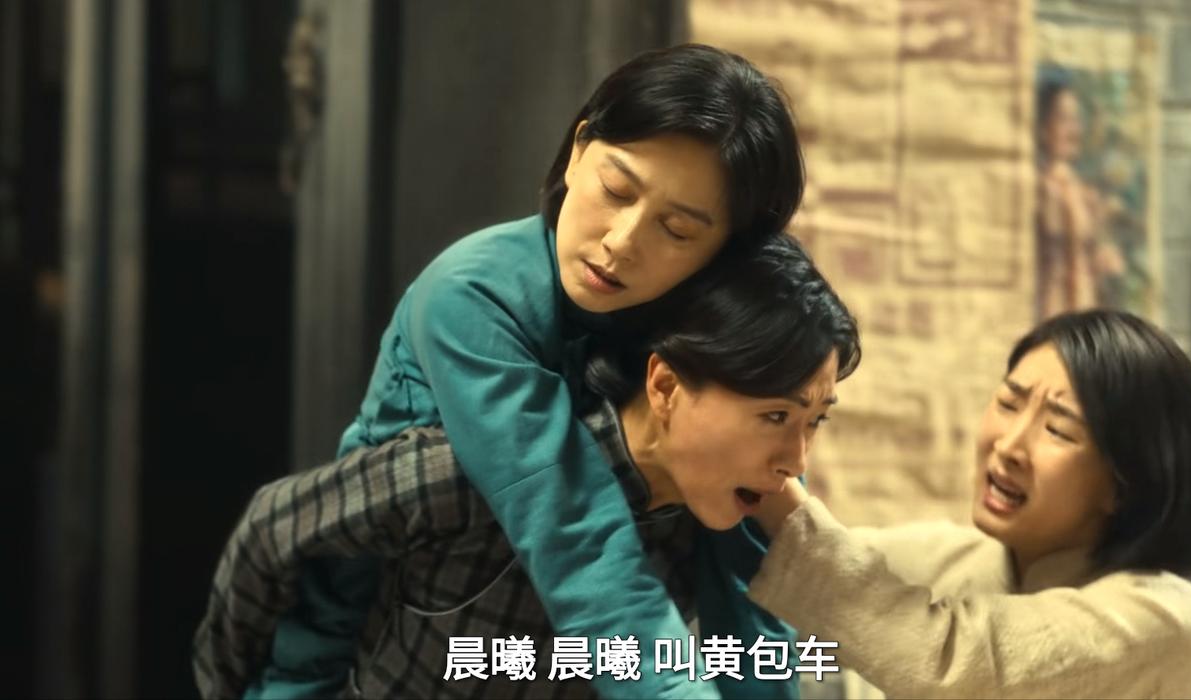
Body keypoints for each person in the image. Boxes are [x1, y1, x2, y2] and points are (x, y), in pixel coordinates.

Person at [250, 42, 808, 700]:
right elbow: (574, 531)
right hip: (395, 655)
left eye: (678, 230)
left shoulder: (713, 336)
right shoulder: (472, 296)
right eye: (616, 190)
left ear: (724, 255)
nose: (621, 241)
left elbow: (749, 575)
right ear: (578, 151)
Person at [194, 233, 862, 698]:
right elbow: (273, 530)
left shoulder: (717, 537)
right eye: (775, 417)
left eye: (815, 421)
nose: (795, 462)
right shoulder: (483, 469)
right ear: (664, 386)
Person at [749, 309, 1191, 699]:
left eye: (1058, 430)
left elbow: (951, 667)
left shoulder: (1167, 621)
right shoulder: (946, 560)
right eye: (1009, 404)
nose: (1009, 445)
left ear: (1124, 486)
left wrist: (774, 480)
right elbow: (801, 565)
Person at [1035, 81, 1127, 319]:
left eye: (1076, 120)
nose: (1073, 130)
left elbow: (1096, 261)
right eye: (1063, 119)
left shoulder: (1084, 193)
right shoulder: (1040, 188)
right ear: (1043, 129)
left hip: (1085, 313)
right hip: (1051, 313)